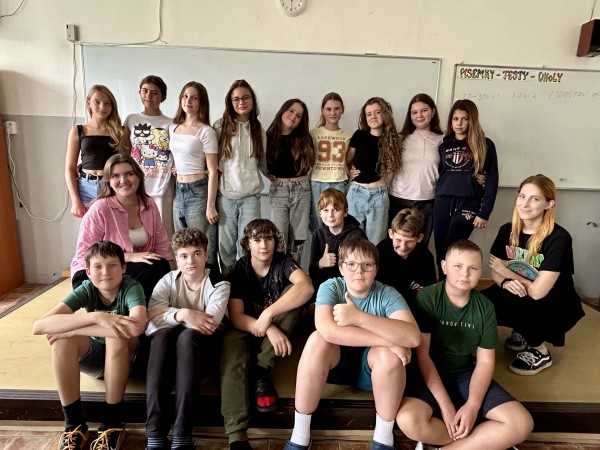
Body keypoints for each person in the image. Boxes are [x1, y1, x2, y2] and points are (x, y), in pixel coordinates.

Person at [395, 240, 533, 450]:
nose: (465, 274)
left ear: (481, 271)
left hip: (465, 373)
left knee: (521, 423)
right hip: (429, 375)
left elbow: (485, 362)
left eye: (473, 268)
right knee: (408, 419)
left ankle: (449, 447)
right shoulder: (428, 297)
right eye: (458, 266)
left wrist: (473, 405)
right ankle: (481, 441)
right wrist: (446, 406)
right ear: (444, 267)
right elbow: (423, 356)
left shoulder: (485, 307)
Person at [284, 237, 420, 450]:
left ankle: (384, 439)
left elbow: (413, 337)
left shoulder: (387, 293)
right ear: (341, 268)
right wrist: (390, 340)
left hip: (374, 372)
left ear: (376, 269)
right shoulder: (331, 287)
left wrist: (359, 318)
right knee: (317, 340)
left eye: (367, 265)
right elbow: (327, 330)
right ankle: (299, 435)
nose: (359, 271)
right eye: (351, 264)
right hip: (336, 366)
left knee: (389, 354)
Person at [33, 241, 147, 450]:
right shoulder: (87, 289)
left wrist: (73, 328)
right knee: (61, 341)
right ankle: (74, 425)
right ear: (88, 272)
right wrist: (96, 317)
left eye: (112, 265)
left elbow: (136, 327)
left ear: (123, 267)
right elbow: (39, 326)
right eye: (98, 266)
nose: (105, 272)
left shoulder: (131, 287)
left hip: (127, 360)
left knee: (116, 336)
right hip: (97, 358)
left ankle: (113, 422)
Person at [220, 219, 314, 450]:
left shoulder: (284, 262)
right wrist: (267, 327)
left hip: (276, 322)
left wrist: (269, 314)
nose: (263, 245)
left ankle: (260, 370)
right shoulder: (239, 270)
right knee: (232, 356)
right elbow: (237, 317)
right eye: (257, 240)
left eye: (269, 239)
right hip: (247, 327)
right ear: (247, 244)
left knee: (295, 293)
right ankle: (237, 436)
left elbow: (307, 287)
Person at [482, 174, 585, 376]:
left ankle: (540, 351)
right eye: (522, 196)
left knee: (517, 298)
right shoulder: (507, 230)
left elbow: (538, 292)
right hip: (523, 291)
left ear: (549, 204)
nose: (525, 204)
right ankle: (521, 330)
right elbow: (495, 269)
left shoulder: (559, 238)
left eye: (535, 199)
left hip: (556, 301)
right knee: (482, 302)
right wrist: (505, 281)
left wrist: (507, 273)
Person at [145, 228, 231, 450]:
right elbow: (149, 322)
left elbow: (208, 326)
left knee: (188, 336)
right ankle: (155, 435)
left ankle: (182, 435)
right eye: (183, 256)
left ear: (206, 255)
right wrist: (182, 314)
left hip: (205, 351)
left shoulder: (220, 284)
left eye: (197, 254)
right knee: (162, 336)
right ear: (176, 258)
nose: (190, 261)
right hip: (171, 351)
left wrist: (166, 313)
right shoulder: (168, 280)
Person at [70, 153, 172, 303]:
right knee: (151, 268)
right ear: (109, 182)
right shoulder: (100, 208)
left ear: (138, 177)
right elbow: (87, 254)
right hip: (94, 272)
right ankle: (127, 309)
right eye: (115, 176)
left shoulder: (149, 204)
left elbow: (162, 246)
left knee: (164, 266)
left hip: (129, 269)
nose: (123, 180)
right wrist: (129, 256)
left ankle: (136, 308)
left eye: (129, 174)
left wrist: (173, 275)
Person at [433, 99, 498, 276]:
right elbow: (441, 173)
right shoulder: (444, 145)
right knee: (441, 252)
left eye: (464, 119)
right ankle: (443, 286)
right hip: (443, 202)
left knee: (454, 250)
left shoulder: (485, 144)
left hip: (468, 203)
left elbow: (492, 180)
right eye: (455, 119)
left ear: (472, 121)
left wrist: (485, 212)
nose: (459, 123)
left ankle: (454, 285)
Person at [214, 80, 267, 274]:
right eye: (236, 99)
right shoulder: (220, 127)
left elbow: (262, 162)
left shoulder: (258, 130)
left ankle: (244, 281)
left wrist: (275, 175)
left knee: (248, 243)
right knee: (226, 245)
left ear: (252, 100)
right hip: (226, 195)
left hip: (251, 196)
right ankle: (228, 281)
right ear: (230, 102)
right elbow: (211, 160)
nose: (241, 102)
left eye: (245, 98)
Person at [169, 81, 219, 266]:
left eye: (194, 98)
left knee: (202, 246)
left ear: (201, 102)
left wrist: (210, 205)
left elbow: (213, 171)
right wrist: (176, 167)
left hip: (198, 192)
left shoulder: (206, 132)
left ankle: (210, 281)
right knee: (181, 245)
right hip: (178, 190)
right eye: (185, 96)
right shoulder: (172, 128)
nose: (188, 101)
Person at [388, 94, 443, 246]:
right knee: (397, 246)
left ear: (433, 111)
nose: (419, 115)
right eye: (414, 112)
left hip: (427, 202)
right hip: (399, 199)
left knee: (420, 247)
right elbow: (383, 163)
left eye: (424, 110)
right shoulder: (400, 138)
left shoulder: (443, 139)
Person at [65, 84, 128, 218]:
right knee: (90, 229)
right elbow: (69, 169)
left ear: (112, 106)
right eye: (97, 102)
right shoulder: (77, 131)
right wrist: (75, 201)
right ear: (89, 103)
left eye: (107, 103)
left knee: (114, 227)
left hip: (112, 186)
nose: (102, 107)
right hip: (85, 187)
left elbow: (127, 163)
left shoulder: (121, 131)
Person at [124, 75, 175, 237]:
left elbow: (177, 151)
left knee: (164, 231)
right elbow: (125, 151)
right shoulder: (131, 119)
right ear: (139, 92)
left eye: (154, 93)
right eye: (145, 91)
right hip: (137, 185)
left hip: (163, 184)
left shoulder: (171, 123)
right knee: (139, 231)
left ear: (163, 97)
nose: (149, 96)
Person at [346, 97, 402, 244]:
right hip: (356, 193)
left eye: (377, 112)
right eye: (369, 114)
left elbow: (392, 167)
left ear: (385, 114)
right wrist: (349, 170)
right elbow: (346, 160)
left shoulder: (392, 140)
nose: (373, 117)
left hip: (379, 195)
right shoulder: (359, 135)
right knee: (353, 242)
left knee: (376, 243)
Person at [266, 98, 315, 264]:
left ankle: (295, 274)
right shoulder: (268, 137)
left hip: (301, 189)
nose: (294, 116)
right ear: (282, 111)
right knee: (278, 237)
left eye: (299, 115)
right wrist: (266, 173)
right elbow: (259, 162)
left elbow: (311, 163)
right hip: (279, 189)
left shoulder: (304, 138)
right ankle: (279, 274)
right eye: (291, 111)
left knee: (297, 239)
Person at [308, 187, 365, 295]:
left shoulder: (357, 235)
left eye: (336, 210)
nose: (330, 215)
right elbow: (312, 272)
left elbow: (361, 269)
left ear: (345, 212)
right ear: (320, 213)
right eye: (326, 210)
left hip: (348, 289)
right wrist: (320, 263)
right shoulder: (318, 234)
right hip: (323, 288)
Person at [376, 208, 437, 307]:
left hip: (414, 306)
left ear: (419, 238)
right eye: (398, 240)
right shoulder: (380, 251)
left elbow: (429, 292)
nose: (403, 247)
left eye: (409, 242)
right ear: (391, 234)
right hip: (385, 304)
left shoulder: (425, 257)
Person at [309, 92, 353, 230]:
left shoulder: (349, 135)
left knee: (338, 223)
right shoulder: (314, 133)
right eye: (328, 109)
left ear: (342, 110)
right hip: (317, 182)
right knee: (318, 223)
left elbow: (349, 160)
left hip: (339, 181)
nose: (333, 113)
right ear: (322, 111)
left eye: (336, 109)